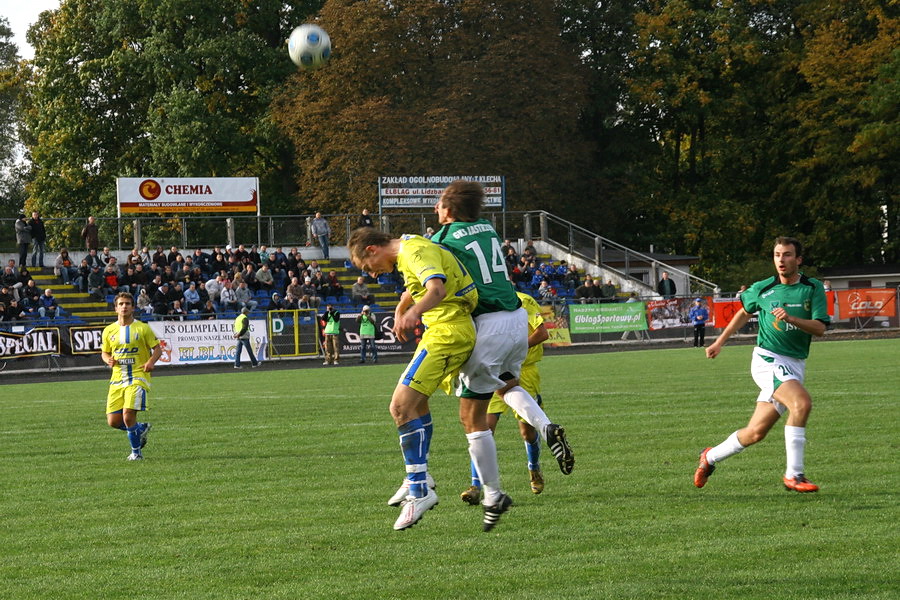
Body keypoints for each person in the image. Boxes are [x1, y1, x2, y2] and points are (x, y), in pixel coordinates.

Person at [431, 180, 574, 521]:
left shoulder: (442, 239)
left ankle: (490, 493)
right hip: (514, 319)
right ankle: (545, 426)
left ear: (449, 211)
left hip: (488, 324)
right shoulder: (489, 230)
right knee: (508, 385)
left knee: (471, 418)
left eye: (438, 205)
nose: (436, 210)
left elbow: (429, 273)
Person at [347, 227, 487, 531]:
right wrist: (401, 307)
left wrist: (413, 314)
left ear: (372, 249)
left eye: (366, 266)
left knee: (400, 408)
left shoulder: (414, 251)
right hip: (442, 329)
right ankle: (419, 479)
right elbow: (421, 282)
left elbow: (436, 288)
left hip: (448, 332)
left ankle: (420, 491)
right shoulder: (411, 245)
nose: (370, 274)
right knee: (417, 404)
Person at [694, 236, 830, 493]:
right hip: (768, 360)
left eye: (788, 254)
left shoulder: (812, 288)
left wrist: (791, 318)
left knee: (756, 432)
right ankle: (795, 475)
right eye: (778, 254)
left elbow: (820, 328)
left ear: (798, 260)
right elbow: (744, 312)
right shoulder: (763, 288)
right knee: (801, 403)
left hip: (795, 364)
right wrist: (719, 342)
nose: (781, 259)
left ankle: (709, 457)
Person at [461, 292, 550, 503]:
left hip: (523, 371)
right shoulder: (483, 300)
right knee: (483, 428)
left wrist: (513, 349)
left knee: (527, 433)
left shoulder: (523, 300)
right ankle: (475, 485)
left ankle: (534, 469)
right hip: (492, 371)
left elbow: (542, 333)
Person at [101, 292, 162, 460]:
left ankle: (136, 453)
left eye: (127, 303)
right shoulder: (109, 331)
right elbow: (104, 352)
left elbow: (157, 349)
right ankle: (140, 429)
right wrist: (108, 360)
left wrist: (150, 362)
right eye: (121, 304)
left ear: (133, 307)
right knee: (113, 421)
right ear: (116, 308)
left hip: (137, 376)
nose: (124, 306)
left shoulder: (142, 328)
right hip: (117, 379)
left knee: (128, 415)